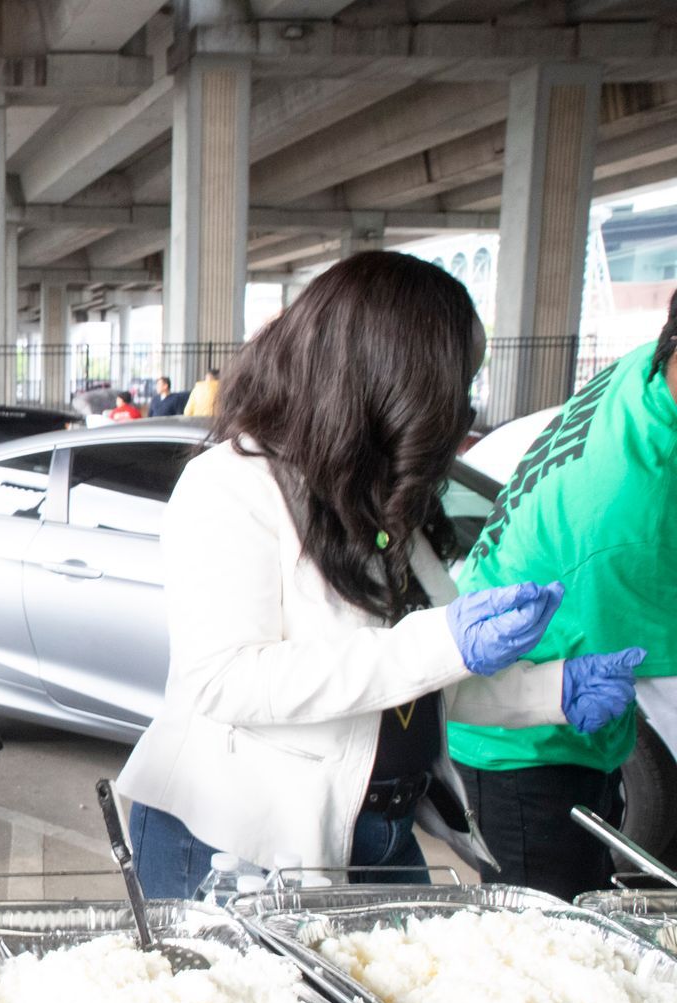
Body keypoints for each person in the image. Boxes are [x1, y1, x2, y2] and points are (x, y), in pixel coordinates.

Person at [114, 252, 642, 896]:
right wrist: (441, 640)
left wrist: (551, 691)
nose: (462, 411)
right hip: (235, 848)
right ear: (382, 381)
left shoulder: (373, 497)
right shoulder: (230, 486)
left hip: (373, 833)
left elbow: (418, 684)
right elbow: (226, 681)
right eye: (454, 388)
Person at [447, 293, 677, 901]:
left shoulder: (645, 370)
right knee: (547, 943)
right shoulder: (634, 518)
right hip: (521, 748)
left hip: (552, 704)